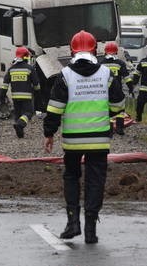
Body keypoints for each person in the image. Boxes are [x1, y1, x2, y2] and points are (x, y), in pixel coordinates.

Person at [43, 30, 126, 244]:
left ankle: (73, 223)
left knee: (71, 177)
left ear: (72, 51)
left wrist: (49, 133)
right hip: (99, 140)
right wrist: (104, 115)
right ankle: (90, 230)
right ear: (95, 50)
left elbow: (54, 108)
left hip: (72, 141)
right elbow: (118, 105)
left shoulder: (65, 75)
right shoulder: (106, 74)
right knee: (95, 181)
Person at [1, 46, 41, 138]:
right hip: (26, 97)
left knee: (18, 115)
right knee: (28, 113)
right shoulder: (29, 69)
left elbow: (5, 85)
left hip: (15, 97)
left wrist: (2, 97)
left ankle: (20, 134)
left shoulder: (11, 70)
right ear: (26, 57)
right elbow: (36, 84)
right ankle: (19, 125)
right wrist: (38, 93)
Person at [98, 41, 134, 135]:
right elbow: (126, 77)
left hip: (104, 92)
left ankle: (109, 130)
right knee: (120, 110)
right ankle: (119, 128)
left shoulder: (101, 63)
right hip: (117, 91)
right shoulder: (120, 63)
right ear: (116, 52)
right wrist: (131, 88)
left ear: (105, 52)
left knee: (107, 111)